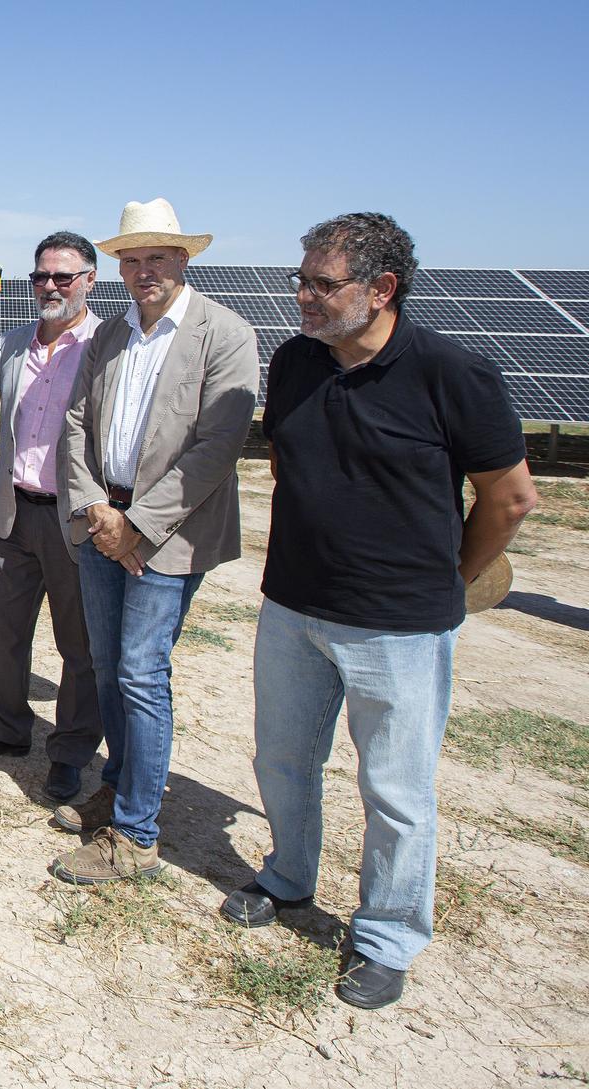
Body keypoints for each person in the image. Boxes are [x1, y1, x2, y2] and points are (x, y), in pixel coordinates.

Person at [225, 213, 537, 1010]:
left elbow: (511, 496)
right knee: (282, 758)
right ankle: (288, 876)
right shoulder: (296, 362)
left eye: (322, 285)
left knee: (396, 790)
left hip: (398, 626)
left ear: (382, 288)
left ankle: (387, 934)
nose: (303, 297)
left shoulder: (451, 372)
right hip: (293, 607)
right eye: (302, 280)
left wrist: (448, 581)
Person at [49, 198, 259, 884]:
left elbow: (216, 447)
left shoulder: (223, 334)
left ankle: (136, 834)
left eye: (156, 258)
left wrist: (137, 522)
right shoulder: (110, 335)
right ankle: (119, 784)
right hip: (99, 521)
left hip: (169, 535)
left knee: (141, 671)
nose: (143, 271)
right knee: (107, 663)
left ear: (183, 259)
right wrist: (93, 508)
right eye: (131, 259)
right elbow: (77, 425)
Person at [0, 232, 104, 803]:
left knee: (79, 645)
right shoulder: (13, 344)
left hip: (74, 519)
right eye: (41, 276)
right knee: (6, 632)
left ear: (90, 279)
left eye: (64, 276)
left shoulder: (105, 345)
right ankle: (10, 727)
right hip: (13, 511)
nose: (50, 286)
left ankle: (69, 751)